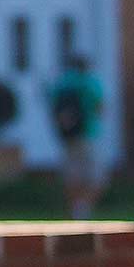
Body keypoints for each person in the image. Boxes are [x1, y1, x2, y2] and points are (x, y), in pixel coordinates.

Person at [48, 56, 106, 220]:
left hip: (68, 138)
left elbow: (53, 109)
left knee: (72, 175)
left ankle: (75, 210)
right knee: (95, 176)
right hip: (88, 135)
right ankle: (83, 209)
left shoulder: (61, 84)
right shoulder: (90, 83)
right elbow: (100, 107)